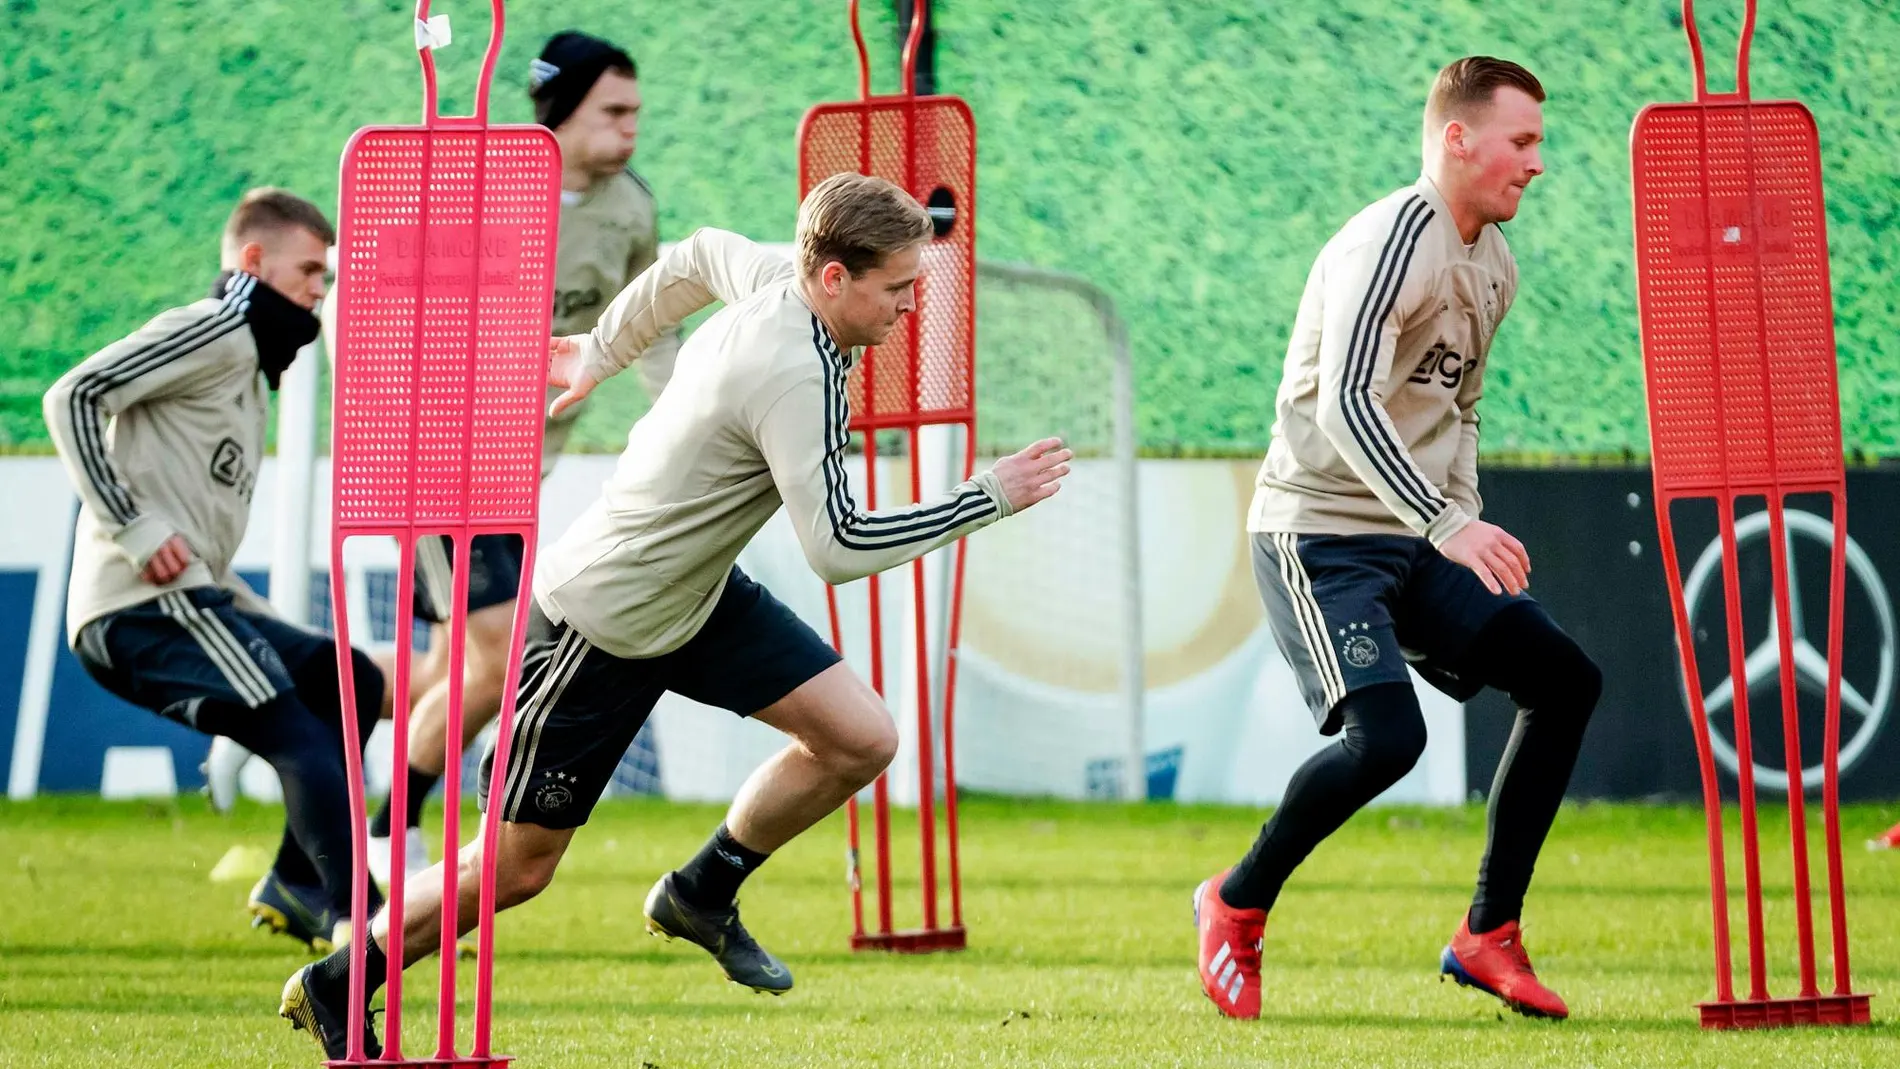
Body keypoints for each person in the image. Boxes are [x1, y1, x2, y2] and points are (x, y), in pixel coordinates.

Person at [281, 173, 1071, 1059]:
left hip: (693, 596)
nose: (908, 308)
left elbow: (693, 254)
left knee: (860, 738)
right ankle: (336, 984)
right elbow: (838, 547)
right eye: (898, 288)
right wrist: (985, 496)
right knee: (514, 869)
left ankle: (702, 889)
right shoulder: (791, 374)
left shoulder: (784, 273)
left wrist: (598, 351)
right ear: (837, 278)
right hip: (603, 620)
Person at [1191, 57, 1601, 1021]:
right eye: (1523, 140)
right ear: (1457, 139)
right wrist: (1450, 523)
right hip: (1317, 534)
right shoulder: (1390, 239)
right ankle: (1235, 900)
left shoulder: (1493, 263)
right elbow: (1343, 399)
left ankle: (1487, 935)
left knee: (1564, 677)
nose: (1537, 163)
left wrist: (1459, 525)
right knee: (1390, 741)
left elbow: (1459, 410)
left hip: (1414, 537)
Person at [360, 29, 683, 883]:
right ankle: (390, 833)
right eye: (614, 112)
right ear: (562, 111)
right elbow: (386, 305)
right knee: (500, 657)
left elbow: (650, 327)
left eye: (636, 112)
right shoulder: (485, 190)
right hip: (437, 455)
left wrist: (688, 419)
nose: (630, 129)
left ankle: (311, 724)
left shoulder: (633, 208)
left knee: (445, 669)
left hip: (515, 471)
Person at [44, 188, 385, 951]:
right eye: (309, 272)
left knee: (349, 680)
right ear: (254, 262)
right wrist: (132, 525)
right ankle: (359, 921)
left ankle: (300, 888)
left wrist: (237, 598)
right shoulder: (219, 327)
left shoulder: (247, 367)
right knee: (296, 733)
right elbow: (73, 394)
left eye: (325, 278)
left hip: (189, 595)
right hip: (140, 604)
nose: (317, 292)